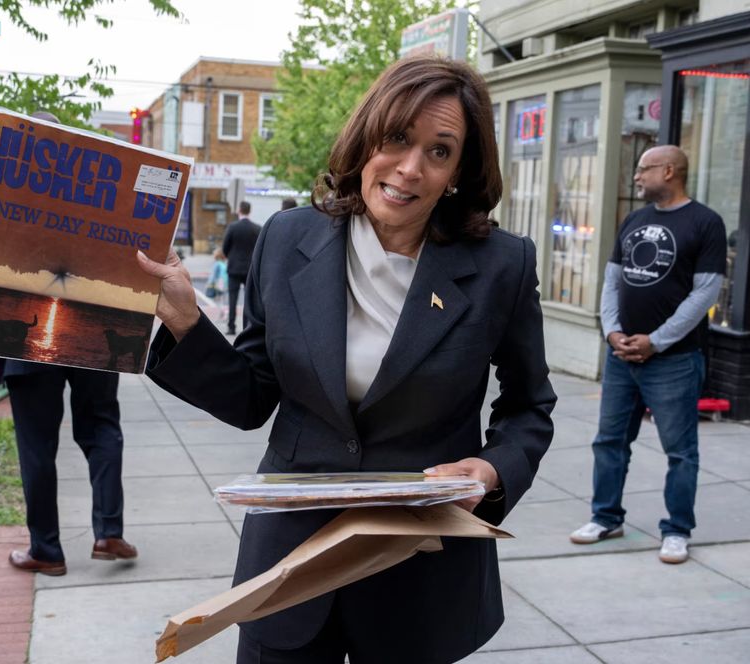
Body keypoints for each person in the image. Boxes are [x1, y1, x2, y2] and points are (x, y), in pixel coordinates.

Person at [137, 57, 556, 663]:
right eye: (397, 139)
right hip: (289, 568)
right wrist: (183, 322)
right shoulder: (286, 239)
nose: (410, 169)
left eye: (439, 151)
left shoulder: (502, 265)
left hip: (419, 577)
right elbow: (253, 396)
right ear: (367, 138)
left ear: (459, 171)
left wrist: (490, 472)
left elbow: (529, 407)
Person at [0, 110, 136, 578]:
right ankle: (107, 531)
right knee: (101, 428)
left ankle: (47, 550)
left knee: (36, 446)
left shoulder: (4, 200)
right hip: (92, 334)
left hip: (28, 342)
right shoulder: (101, 198)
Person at [570, 145, 726, 565]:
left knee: (680, 451)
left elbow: (705, 292)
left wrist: (656, 340)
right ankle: (605, 517)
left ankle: (677, 530)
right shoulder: (635, 220)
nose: (637, 176)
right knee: (609, 442)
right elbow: (611, 281)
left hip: (673, 361)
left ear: (670, 171)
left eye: (644, 168)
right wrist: (613, 330)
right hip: (622, 359)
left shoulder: (706, 223)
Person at [221, 200, 261, 335]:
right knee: (249, 300)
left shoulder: (233, 227)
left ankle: (231, 326)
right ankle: (247, 327)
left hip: (234, 268)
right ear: (249, 211)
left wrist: (230, 257)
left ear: (239, 210)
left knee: (233, 298)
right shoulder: (257, 228)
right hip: (250, 268)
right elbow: (259, 249)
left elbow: (225, 247)